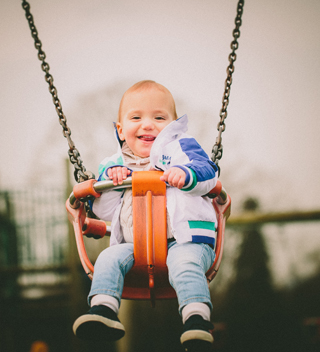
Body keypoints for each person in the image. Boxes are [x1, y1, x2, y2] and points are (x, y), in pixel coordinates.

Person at [72, 80, 220, 351]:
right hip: (134, 246)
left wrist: (187, 175)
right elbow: (103, 210)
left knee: (185, 263)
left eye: (159, 117)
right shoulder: (113, 165)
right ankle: (103, 311)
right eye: (136, 117)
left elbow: (209, 173)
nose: (148, 124)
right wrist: (111, 184)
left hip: (185, 240)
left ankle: (196, 320)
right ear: (120, 128)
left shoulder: (182, 149)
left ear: (173, 123)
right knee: (107, 257)